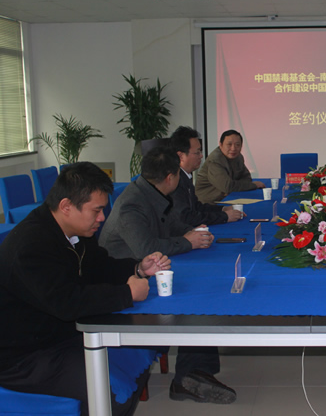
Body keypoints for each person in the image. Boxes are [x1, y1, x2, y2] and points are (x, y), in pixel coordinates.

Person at [0, 162, 170, 416]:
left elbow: (100, 266)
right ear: (66, 206)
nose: (102, 218)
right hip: (24, 357)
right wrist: (126, 294)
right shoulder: (30, 246)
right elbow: (66, 302)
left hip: (60, 335)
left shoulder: (73, 230)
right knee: (110, 392)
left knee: (139, 349)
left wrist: (138, 268)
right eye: (96, 210)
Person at [99, 147, 237, 405]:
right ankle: (188, 376)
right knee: (195, 295)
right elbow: (145, 248)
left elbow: (171, 224)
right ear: (171, 177)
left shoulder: (152, 191)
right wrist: (188, 242)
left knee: (204, 286)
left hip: (150, 267)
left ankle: (199, 369)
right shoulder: (132, 204)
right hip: (125, 275)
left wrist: (193, 231)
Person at [169, 126, 243, 226]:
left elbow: (197, 207)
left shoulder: (185, 175)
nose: (201, 156)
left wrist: (222, 209)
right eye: (197, 152)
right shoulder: (174, 180)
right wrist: (224, 216)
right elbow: (187, 217)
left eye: (201, 151)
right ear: (181, 156)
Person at [195, 129, 265, 204]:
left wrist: (231, 188)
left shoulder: (238, 157)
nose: (233, 148)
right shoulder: (215, 161)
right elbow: (227, 186)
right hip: (208, 203)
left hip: (228, 197)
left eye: (237, 145)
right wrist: (253, 185)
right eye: (229, 144)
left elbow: (246, 177)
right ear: (221, 145)